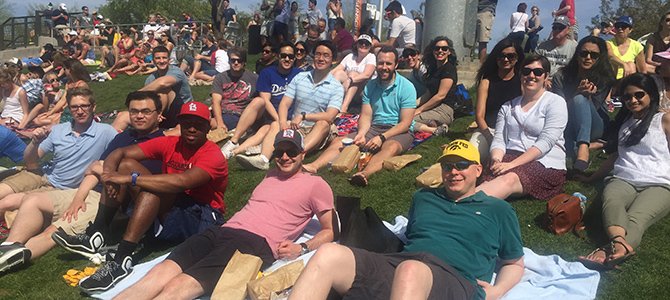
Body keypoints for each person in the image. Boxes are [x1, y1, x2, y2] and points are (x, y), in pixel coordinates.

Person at [290, 139, 524, 300]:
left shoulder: (498, 209)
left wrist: (497, 290)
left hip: (457, 280)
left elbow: (514, 263)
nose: (453, 171)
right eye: (447, 165)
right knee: (329, 253)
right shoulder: (423, 198)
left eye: (462, 165)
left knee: (412, 270)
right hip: (401, 267)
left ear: (478, 170)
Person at [115, 128, 335, 299]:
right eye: (279, 151)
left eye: (292, 151)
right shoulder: (270, 176)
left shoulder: (315, 185)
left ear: (303, 154)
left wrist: (302, 247)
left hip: (254, 244)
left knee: (178, 286)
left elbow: (329, 231)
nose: (285, 156)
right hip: (221, 231)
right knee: (158, 274)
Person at [52, 101, 228, 293]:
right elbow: (120, 152)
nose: (192, 128)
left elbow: (182, 181)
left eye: (198, 124)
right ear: (180, 125)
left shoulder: (213, 154)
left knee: (151, 186)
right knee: (127, 164)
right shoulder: (171, 143)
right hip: (175, 204)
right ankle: (97, 233)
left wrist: (128, 179)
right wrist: (109, 176)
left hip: (201, 215)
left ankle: (121, 259)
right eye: (187, 123)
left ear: (207, 126)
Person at [0, 91, 163, 273]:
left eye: (146, 111)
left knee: (54, 230)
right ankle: (9, 246)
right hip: (89, 190)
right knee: (32, 201)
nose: (139, 116)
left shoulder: (165, 141)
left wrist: (109, 172)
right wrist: (78, 198)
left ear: (159, 114)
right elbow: (93, 168)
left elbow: (148, 183)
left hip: (110, 202)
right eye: (134, 111)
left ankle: (13, 259)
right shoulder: (121, 138)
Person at [577, 73, 670, 271]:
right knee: (613, 201)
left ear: (651, 95)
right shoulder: (625, 124)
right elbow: (615, 157)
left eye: (639, 95)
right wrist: (592, 177)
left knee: (638, 217)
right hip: (623, 178)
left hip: (659, 183)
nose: (632, 100)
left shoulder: (664, 119)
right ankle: (620, 247)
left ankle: (604, 251)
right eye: (627, 97)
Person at [303, 46, 415, 187]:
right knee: (340, 141)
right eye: (381, 63)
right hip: (374, 127)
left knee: (390, 147)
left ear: (396, 65)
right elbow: (366, 115)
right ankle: (314, 165)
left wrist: (382, 137)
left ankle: (364, 174)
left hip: (398, 130)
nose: (384, 67)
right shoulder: (370, 86)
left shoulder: (407, 87)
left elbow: (405, 123)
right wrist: (361, 134)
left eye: (388, 64)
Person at [235, 41, 343, 170]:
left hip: (318, 129)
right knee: (275, 124)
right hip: (296, 126)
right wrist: (283, 122)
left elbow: (330, 116)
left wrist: (304, 116)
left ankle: (298, 152)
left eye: (326, 55)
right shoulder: (300, 77)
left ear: (333, 60)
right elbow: (285, 103)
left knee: (323, 123)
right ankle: (263, 159)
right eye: (318, 54)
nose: (321, 58)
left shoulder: (336, 87)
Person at [476, 54, 568, 201]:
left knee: (509, 179)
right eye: (526, 71)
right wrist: (497, 159)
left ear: (546, 77)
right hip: (509, 157)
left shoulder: (555, 102)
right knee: (486, 178)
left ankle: (463, 206)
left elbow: (545, 143)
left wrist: (511, 165)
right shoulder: (508, 106)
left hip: (544, 162)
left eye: (538, 72)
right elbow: (499, 138)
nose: (531, 75)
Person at [220, 42, 300, 159]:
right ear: (278, 56)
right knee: (259, 101)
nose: (287, 59)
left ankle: (234, 152)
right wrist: (280, 120)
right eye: (283, 56)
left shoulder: (299, 74)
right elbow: (265, 100)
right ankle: (234, 140)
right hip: (270, 115)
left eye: (291, 56)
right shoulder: (267, 73)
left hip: (290, 119)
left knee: (265, 131)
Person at [551, 36, 615, 172]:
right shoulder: (561, 76)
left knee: (580, 99)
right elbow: (557, 110)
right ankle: (589, 146)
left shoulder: (605, 78)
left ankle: (583, 148)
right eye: (584, 53)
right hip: (567, 122)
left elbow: (593, 111)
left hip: (595, 125)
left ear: (600, 57)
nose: (588, 57)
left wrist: (587, 96)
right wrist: (576, 93)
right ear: (577, 54)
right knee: (578, 98)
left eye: (594, 55)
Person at [112, 46, 192, 133]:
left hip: (182, 112)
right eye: (158, 58)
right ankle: (109, 141)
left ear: (169, 60)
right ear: (153, 61)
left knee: (163, 91)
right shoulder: (150, 79)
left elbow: (163, 83)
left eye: (164, 58)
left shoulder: (176, 71)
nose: (161, 61)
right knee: (122, 116)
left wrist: (135, 95)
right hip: (160, 114)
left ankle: (154, 121)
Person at [470, 38, 523, 162]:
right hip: (489, 130)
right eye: (501, 56)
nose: (505, 60)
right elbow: (479, 116)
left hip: (514, 132)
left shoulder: (522, 82)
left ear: (517, 58)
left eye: (510, 56)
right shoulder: (486, 82)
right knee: (472, 157)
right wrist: (490, 138)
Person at [413, 36, 458, 135]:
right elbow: (428, 93)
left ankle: (435, 130)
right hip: (433, 108)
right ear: (433, 51)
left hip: (444, 109)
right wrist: (412, 105)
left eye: (444, 49)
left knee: (407, 120)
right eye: (437, 48)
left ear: (449, 52)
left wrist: (420, 110)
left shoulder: (449, 69)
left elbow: (440, 96)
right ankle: (432, 124)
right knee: (405, 115)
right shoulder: (434, 70)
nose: (440, 51)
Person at [210, 48, 258, 131]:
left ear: (244, 62)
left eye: (239, 61)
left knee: (207, 124)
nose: (236, 63)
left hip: (239, 115)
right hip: (221, 112)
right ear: (229, 61)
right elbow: (215, 101)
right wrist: (220, 122)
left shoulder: (254, 78)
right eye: (233, 60)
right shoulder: (220, 77)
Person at [330, 34, 376, 114]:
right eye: (361, 43)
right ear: (357, 44)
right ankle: (332, 103)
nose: (363, 45)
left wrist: (350, 80)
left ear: (370, 47)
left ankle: (343, 108)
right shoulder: (350, 56)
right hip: (346, 87)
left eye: (366, 43)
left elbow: (367, 75)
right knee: (339, 73)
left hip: (364, 90)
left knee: (353, 74)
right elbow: (336, 70)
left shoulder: (371, 57)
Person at [607, 16, 645, 80]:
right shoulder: (608, 43)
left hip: (628, 77)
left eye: (623, 26)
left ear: (630, 30)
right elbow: (611, 56)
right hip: (611, 78)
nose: (620, 29)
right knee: (629, 64)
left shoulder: (637, 46)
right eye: (617, 26)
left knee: (631, 64)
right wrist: (624, 64)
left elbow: (642, 70)